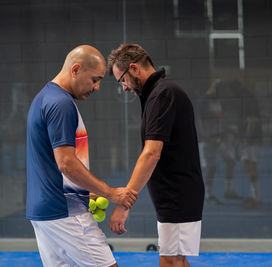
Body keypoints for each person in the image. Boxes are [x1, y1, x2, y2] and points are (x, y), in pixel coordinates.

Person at [26, 45, 138, 267]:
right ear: (75, 69)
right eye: (94, 79)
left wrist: (85, 192)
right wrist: (109, 192)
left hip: (45, 211)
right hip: (65, 212)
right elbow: (66, 163)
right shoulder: (61, 104)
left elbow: (53, 161)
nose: (96, 87)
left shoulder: (46, 97)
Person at [108, 44, 205, 267]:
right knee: (176, 259)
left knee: (171, 261)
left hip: (177, 194)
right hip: (173, 194)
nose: (123, 88)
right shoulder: (157, 93)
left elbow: (151, 153)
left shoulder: (163, 94)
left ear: (134, 68)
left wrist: (124, 204)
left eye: (121, 80)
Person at [196, 79, 241, 205]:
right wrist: (207, 137)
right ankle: (208, 195)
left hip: (219, 138)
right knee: (211, 167)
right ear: (214, 88)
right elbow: (200, 122)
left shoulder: (217, 101)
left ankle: (229, 191)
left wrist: (229, 131)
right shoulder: (204, 100)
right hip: (207, 140)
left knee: (230, 160)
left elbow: (219, 120)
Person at [240, 86, 263, 209]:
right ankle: (255, 195)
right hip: (255, 141)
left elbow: (251, 122)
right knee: (249, 167)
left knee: (249, 166)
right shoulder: (253, 103)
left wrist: (246, 139)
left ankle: (256, 196)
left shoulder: (248, 104)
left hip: (252, 142)